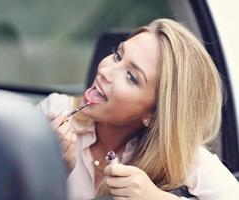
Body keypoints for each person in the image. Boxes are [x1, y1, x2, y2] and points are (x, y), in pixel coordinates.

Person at [38, 18, 239, 200]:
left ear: (154, 113)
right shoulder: (53, 111)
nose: (105, 70)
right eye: (117, 56)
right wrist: (50, 170)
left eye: (131, 77)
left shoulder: (180, 158)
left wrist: (157, 198)